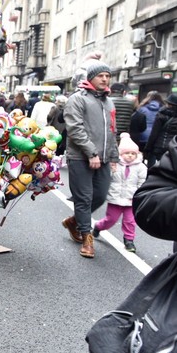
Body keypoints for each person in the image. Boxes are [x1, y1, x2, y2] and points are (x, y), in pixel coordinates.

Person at [61, 60, 119, 259]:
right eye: (100, 76)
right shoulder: (77, 99)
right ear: (91, 78)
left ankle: (73, 221)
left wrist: (113, 156)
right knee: (84, 198)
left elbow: (112, 131)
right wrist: (91, 153)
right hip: (80, 157)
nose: (105, 79)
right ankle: (87, 238)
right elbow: (75, 129)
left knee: (100, 195)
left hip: (103, 158)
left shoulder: (109, 102)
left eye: (107, 76)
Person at [133, 100, 177, 253]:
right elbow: (152, 200)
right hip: (170, 150)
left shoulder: (157, 113)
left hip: (162, 147)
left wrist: (148, 148)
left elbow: (151, 131)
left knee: (153, 168)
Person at [91, 133, 147, 253]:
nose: (130, 155)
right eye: (127, 153)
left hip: (131, 199)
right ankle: (98, 226)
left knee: (130, 221)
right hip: (115, 198)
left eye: (133, 153)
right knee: (111, 219)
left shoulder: (141, 167)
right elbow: (107, 178)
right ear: (121, 154)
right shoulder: (114, 164)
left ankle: (129, 240)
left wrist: (138, 195)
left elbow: (142, 182)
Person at [144, 93, 177, 167]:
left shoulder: (162, 114)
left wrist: (147, 149)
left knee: (159, 167)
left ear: (169, 104)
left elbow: (154, 134)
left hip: (160, 146)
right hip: (175, 147)